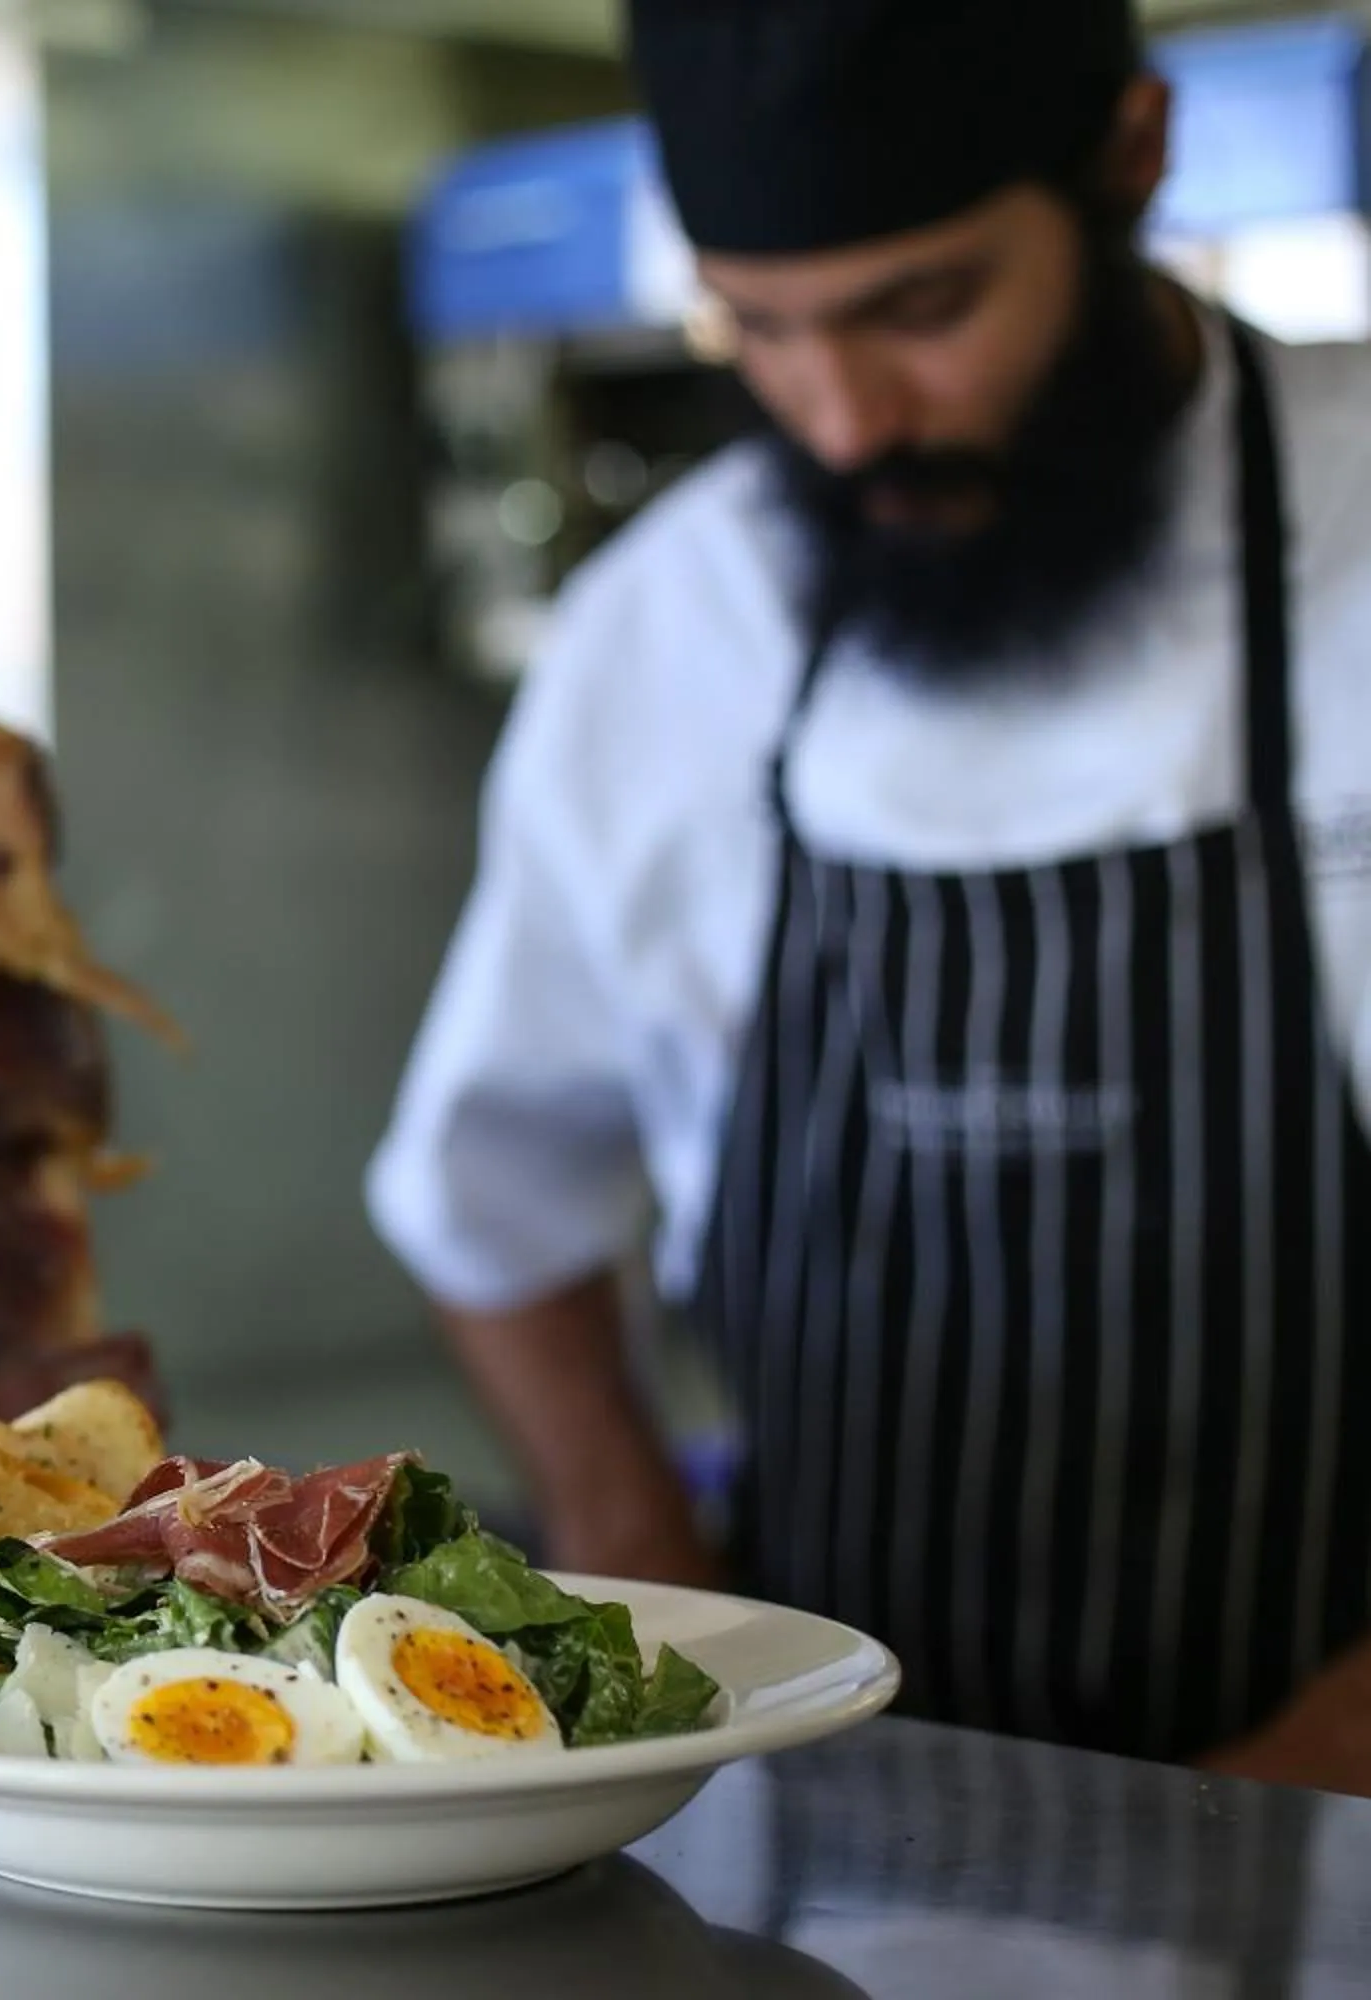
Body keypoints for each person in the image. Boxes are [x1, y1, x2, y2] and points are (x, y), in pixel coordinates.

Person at [370, 0, 1371, 1791]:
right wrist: (647, 1574)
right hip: (832, 1828)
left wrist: (1304, 1818)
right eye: (759, 327)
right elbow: (495, 1192)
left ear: (1134, 156)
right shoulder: (673, 628)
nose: (842, 421)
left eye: (925, 309)